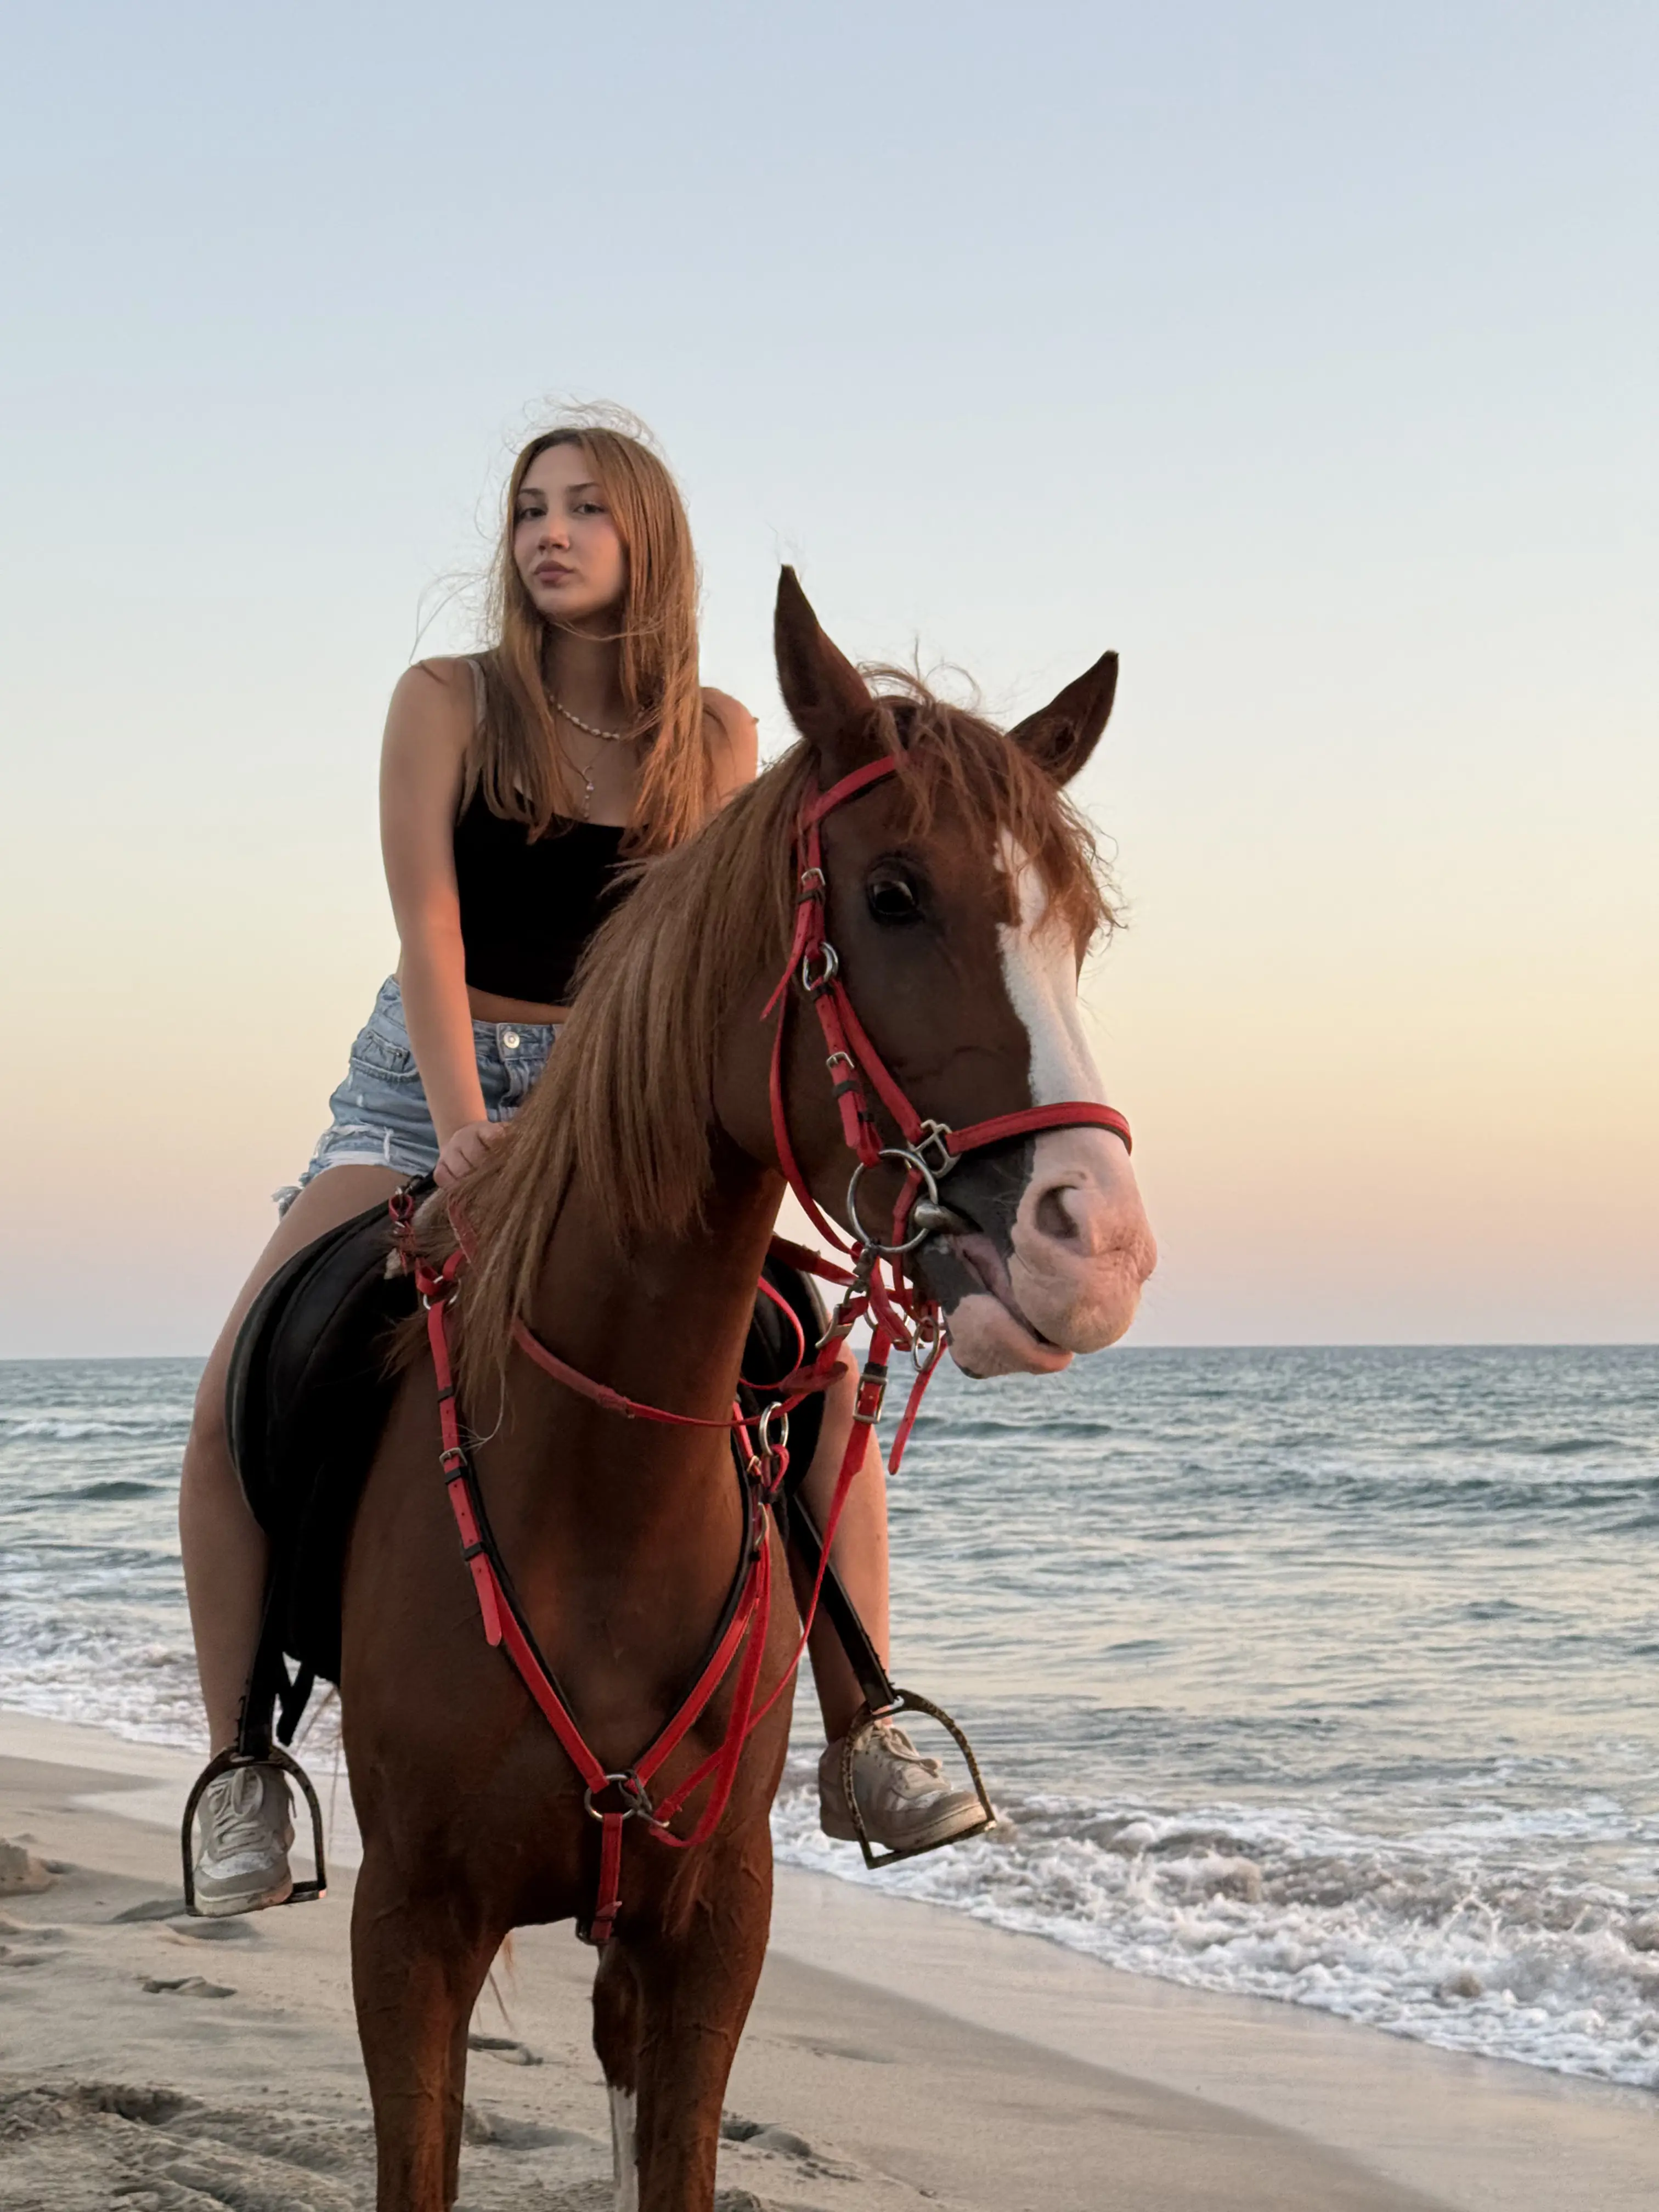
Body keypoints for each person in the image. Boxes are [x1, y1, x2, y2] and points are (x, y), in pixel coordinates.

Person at [178, 415, 984, 1915]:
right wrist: (461, 1123)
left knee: (808, 1375)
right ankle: (245, 1775)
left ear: (647, 541)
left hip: (618, 1098)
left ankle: (869, 1726)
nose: (549, 533)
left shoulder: (720, 737)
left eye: (586, 511)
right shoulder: (446, 701)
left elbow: (695, 967)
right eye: (532, 510)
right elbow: (429, 927)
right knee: (236, 1398)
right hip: (424, 1088)